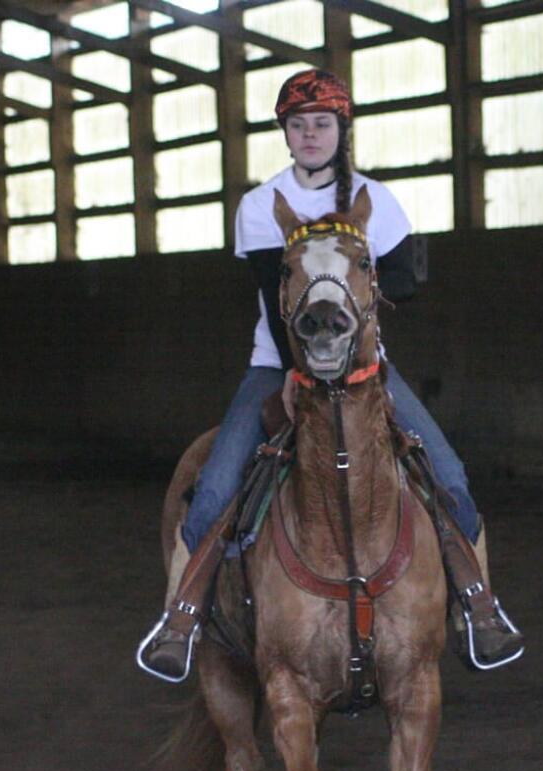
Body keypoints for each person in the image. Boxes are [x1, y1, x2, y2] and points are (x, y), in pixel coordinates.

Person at [138, 69, 522, 682]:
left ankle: (479, 609)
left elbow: (403, 279)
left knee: (448, 472)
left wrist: (355, 275)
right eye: (298, 125)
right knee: (212, 488)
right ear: (285, 135)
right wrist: (296, 373)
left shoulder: (377, 198)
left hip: (366, 367)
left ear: (341, 131)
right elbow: (273, 298)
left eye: (321, 124)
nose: (310, 134)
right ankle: (180, 623)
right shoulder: (260, 205)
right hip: (277, 365)